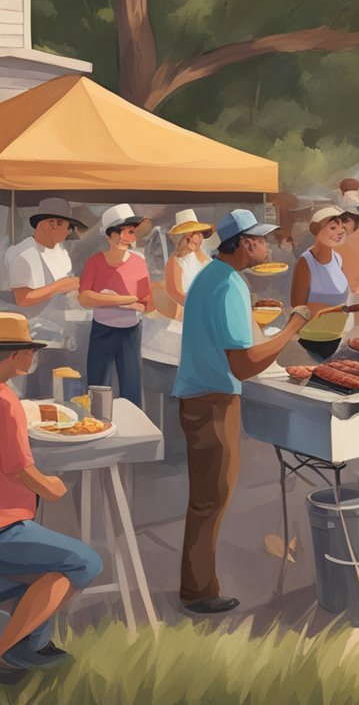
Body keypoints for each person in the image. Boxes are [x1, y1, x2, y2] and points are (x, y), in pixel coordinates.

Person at [174, 210, 310, 614]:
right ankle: (198, 591)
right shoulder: (229, 283)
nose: (267, 246)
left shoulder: (214, 276)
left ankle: (198, 585)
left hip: (204, 395)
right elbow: (244, 363)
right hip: (211, 400)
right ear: (246, 243)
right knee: (210, 498)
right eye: (262, 239)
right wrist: (291, 329)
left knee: (208, 496)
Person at [0, 312, 102, 681]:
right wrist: (52, 487)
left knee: (51, 570)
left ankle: (34, 645)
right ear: (14, 355)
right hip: (4, 526)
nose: (33, 357)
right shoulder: (6, 401)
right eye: (30, 350)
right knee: (84, 563)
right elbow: (18, 469)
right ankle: (10, 648)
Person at [4, 198, 83, 399]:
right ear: (50, 224)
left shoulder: (56, 253)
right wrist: (61, 285)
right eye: (67, 226)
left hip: (50, 338)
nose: (68, 232)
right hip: (28, 339)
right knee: (27, 395)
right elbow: (23, 298)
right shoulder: (25, 254)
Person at [79, 204, 153, 408]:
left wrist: (105, 298)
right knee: (97, 387)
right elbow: (84, 298)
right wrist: (127, 300)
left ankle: (133, 434)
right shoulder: (94, 262)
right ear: (108, 235)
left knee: (132, 387)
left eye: (130, 232)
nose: (126, 237)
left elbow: (145, 301)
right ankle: (97, 429)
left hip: (130, 332)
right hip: (102, 330)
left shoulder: (139, 262)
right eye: (121, 232)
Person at [290, 207, 350, 357]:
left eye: (343, 227)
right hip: (310, 341)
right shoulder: (306, 261)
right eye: (333, 227)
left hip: (336, 337)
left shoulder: (338, 259)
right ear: (317, 230)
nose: (340, 231)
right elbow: (298, 307)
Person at [165, 210, 213, 322]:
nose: (194, 238)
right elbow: (175, 293)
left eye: (197, 233)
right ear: (180, 238)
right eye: (189, 234)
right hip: (187, 318)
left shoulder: (209, 260)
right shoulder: (175, 261)